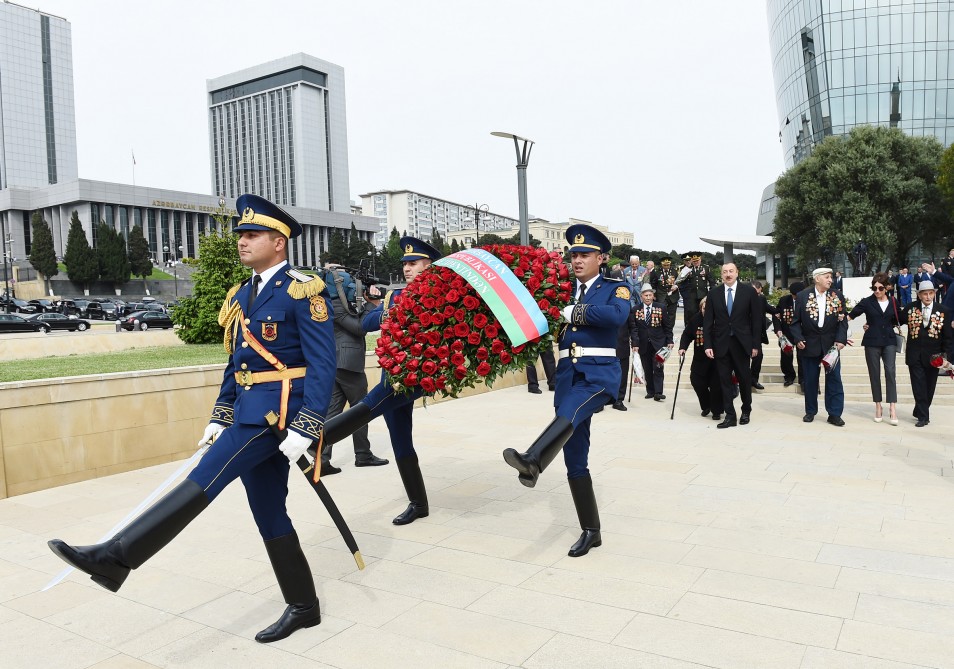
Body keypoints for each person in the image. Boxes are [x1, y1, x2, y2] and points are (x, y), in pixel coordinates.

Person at [48, 194, 336, 643]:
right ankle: (304, 606)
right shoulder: (244, 294)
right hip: (245, 411)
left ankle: (117, 556)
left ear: (279, 243)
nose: (242, 242)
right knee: (268, 512)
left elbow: (323, 364)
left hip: (274, 418)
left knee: (204, 478)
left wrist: (308, 423)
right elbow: (237, 363)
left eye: (252, 234)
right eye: (240, 234)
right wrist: (220, 414)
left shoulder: (303, 289)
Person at [502, 224, 629, 557]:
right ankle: (592, 530)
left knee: (570, 411)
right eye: (573, 254)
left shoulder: (615, 287)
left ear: (601, 258)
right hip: (569, 374)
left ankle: (533, 458)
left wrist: (575, 312)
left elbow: (617, 316)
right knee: (575, 456)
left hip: (599, 376)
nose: (577, 260)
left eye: (585, 254)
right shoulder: (557, 290)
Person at [317, 237, 442, 525]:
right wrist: (357, 302)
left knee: (371, 403)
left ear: (429, 265)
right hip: (393, 373)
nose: (407, 269)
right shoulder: (395, 297)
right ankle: (418, 503)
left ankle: (318, 438)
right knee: (401, 441)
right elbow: (367, 324)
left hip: (414, 377)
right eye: (405, 264)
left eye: (413, 263)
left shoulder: (440, 296)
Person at [318, 264, 389, 475]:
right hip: (347, 363)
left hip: (337, 363)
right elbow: (361, 327)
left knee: (332, 412)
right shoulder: (336, 306)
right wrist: (373, 304)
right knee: (361, 409)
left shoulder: (331, 303)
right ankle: (363, 454)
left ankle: (321, 460)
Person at [702, 262, 762, 428]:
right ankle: (730, 416)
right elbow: (708, 322)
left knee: (744, 379)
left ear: (737, 273)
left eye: (731, 271)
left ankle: (746, 410)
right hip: (720, 343)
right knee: (724, 381)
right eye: (724, 272)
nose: (728, 274)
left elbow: (757, 320)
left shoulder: (749, 292)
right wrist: (708, 344)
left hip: (742, 344)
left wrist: (755, 344)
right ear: (721, 275)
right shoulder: (714, 293)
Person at [790, 267, 849, 426]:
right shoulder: (803, 296)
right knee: (810, 380)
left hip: (831, 346)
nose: (830, 280)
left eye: (831, 277)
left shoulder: (837, 296)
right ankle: (810, 411)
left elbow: (842, 320)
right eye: (827, 277)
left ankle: (835, 413)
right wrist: (798, 338)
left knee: (835, 380)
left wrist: (841, 339)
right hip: (809, 345)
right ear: (817, 279)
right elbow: (795, 323)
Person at [847, 272, 900, 425]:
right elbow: (851, 316)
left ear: (887, 287)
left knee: (890, 372)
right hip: (871, 342)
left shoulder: (893, 302)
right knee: (874, 374)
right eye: (874, 288)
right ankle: (878, 406)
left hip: (889, 341)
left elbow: (901, 318)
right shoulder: (867, 302)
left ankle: (892, 407)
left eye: (880, 288)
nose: (877, 291)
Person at [902, 281, 953, 427]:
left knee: (929, 387)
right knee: (918, 385)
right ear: (919, 295)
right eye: (925, 293)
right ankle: (923, 417)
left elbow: (948, 336)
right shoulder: (910, 308)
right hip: (914, 355)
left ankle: (920, 409)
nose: (928, 296)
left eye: (931, 293)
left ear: (935, 294)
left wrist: (946, 357)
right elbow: (896, 319)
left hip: (934, 356)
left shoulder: (943, 310)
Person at [679, 296, 723, 421]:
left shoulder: (720, 319)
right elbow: (687, 334)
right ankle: (706, 405)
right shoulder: (696, 319)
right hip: (700, 359)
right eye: (704, 308)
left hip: (717, 359)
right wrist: (683, 347)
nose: (706, 311)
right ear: (701, 308)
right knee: (696, 381)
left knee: (716, 386)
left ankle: (716, 411)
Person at [633, 283, 674, 401]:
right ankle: (650, 391)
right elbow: (634, 329)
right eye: (645, 295)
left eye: (650, 295)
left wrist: (669, 340)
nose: (648, 297)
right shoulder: (636, 309)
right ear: (641, 296)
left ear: (653, 296)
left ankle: (658, 392)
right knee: (647, 368)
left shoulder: (661, 307)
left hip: (659, 343)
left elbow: (667, 326)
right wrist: (635, 343)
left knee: (658, 367)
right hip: (643, 343)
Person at [774, 281, 804, 388]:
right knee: (786, 357)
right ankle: (789, 376)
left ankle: (803, 380)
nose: (796, 298)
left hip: (802, 334)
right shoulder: (784, 300)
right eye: (794, 296)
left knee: (802, 357)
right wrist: (778, 330)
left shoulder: (807, 300)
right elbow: (776, 315)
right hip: (787, 334)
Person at [749, 280, 778, 391]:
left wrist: (779, 311)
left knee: (758, 356)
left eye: (758, 293)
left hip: (756, 334)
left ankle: (753, 380)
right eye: (755, 293)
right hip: (743, 334)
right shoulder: (741, 299)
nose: (757, 295)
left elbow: (769, 308)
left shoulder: (761, 299)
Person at [613, 307, 638, 410]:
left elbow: (633, 327)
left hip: (622, 346)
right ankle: (602, 400)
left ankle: (619, 400)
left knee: (622, 375)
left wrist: (635, 343)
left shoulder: (627, 309)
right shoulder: (604, 306)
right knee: (604, 374)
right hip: (606, 347)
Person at [650, 256, 680, 327]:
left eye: (668, 265)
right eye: (664, 265)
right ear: (662, 264)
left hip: (673, 296)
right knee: (660, 313)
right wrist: (653, 294)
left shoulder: (674, 271)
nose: (666, 267)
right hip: (661, 296)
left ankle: (670, 330)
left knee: (672, 315)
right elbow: (653, 284)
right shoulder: (657, 272)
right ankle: (661, 329)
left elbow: (679, 282)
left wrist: (676, 286)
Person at [685, 253, 715, 325]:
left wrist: (711, 293)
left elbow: (711, 281)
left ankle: (704, 326)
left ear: (700, 260)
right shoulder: (688, 269)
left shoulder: (706, 268)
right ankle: (693, 327)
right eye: (694, 261)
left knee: (704, 311)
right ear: (692, 261)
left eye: (697, 260)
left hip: (703, 294)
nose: (696, 262)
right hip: (692, 295)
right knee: (692, 312)